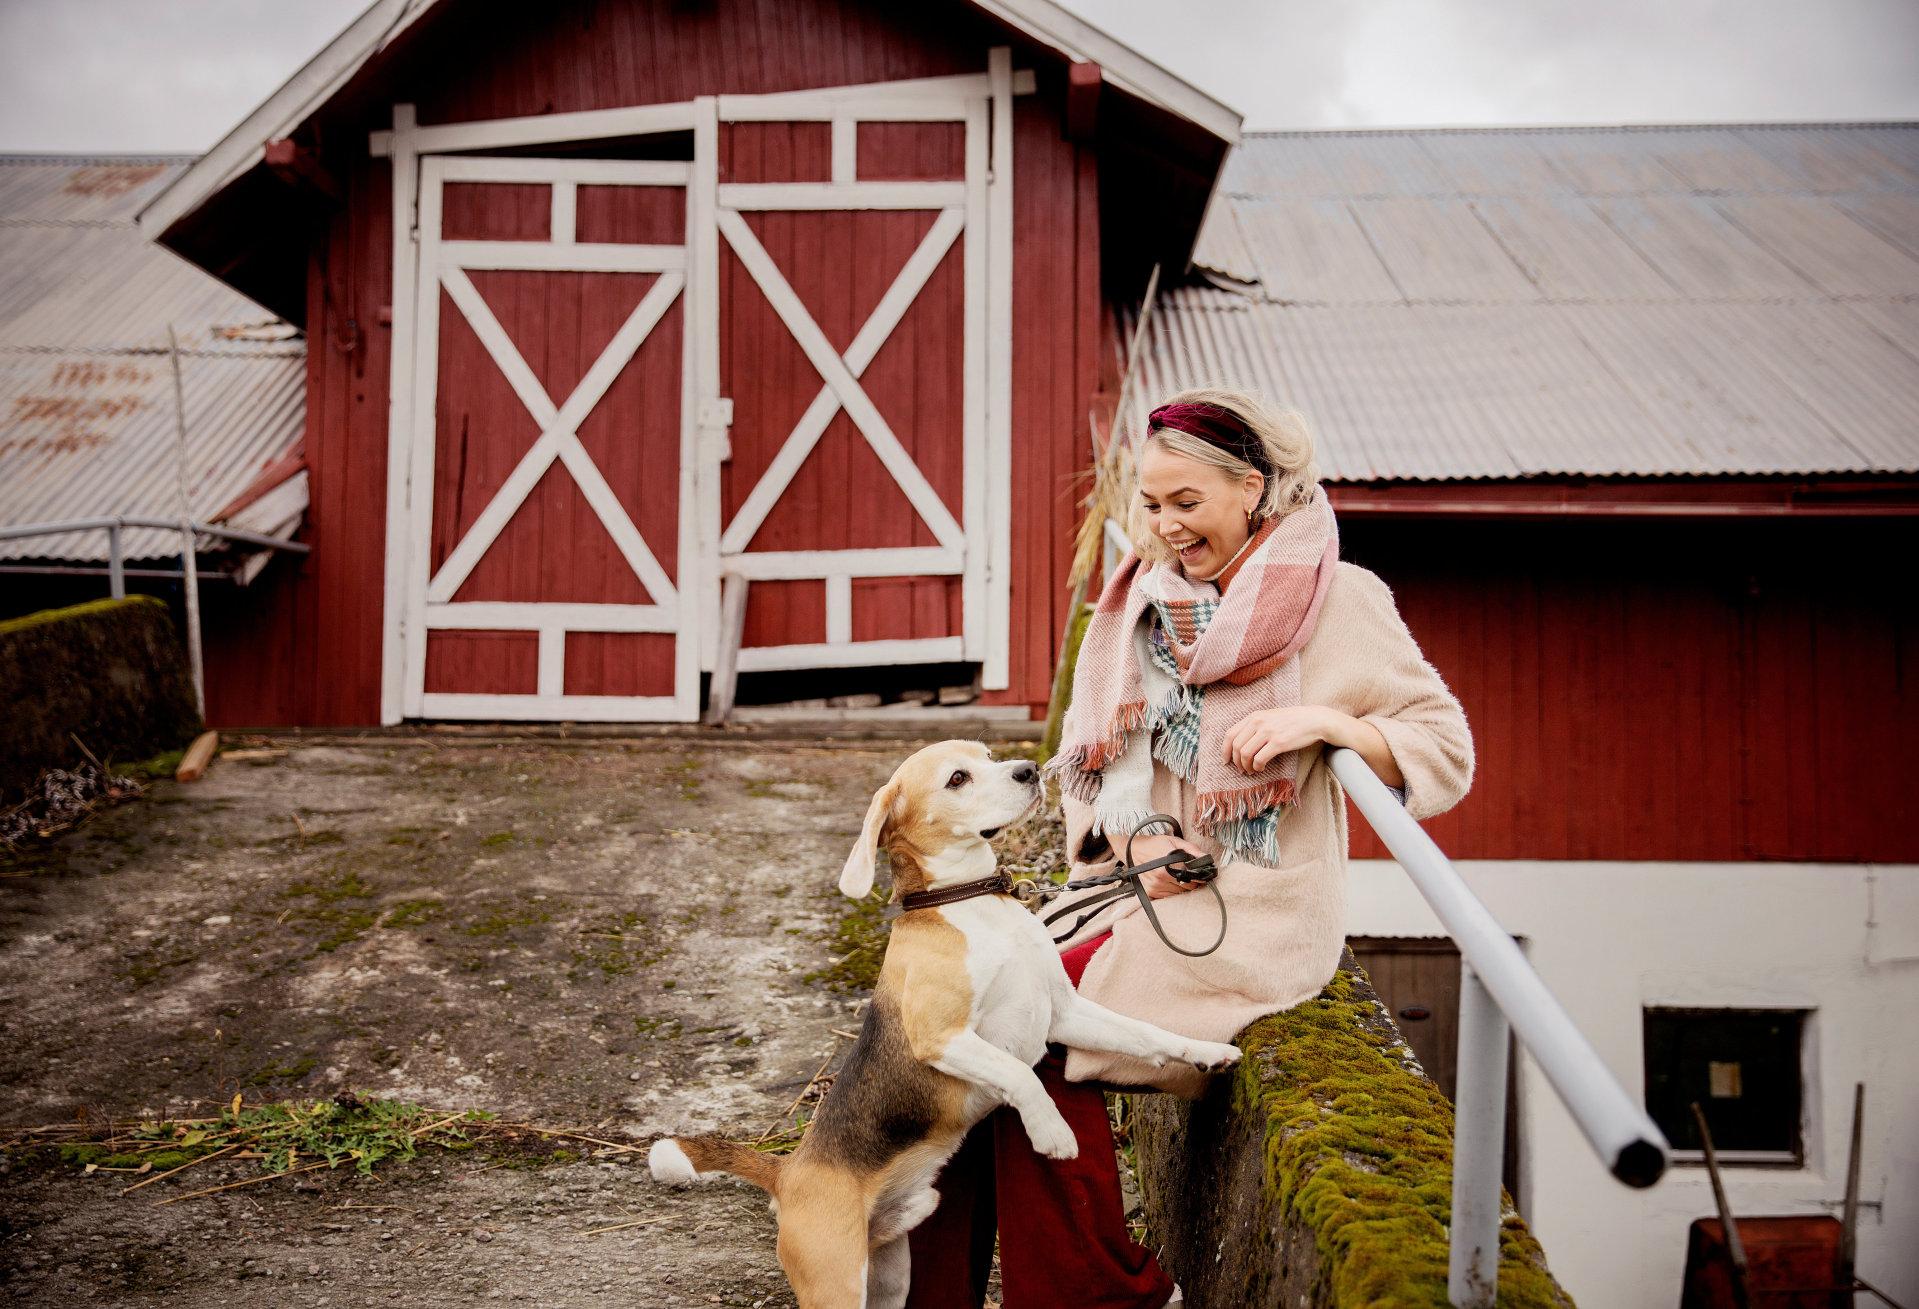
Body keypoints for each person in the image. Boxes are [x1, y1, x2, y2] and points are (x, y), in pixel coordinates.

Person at [904, 386, 1474, 1308]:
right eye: (1152, 503)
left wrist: (1323, 719)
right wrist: (1143, 831)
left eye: (1186, 504)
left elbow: (1444, 752)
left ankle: (1093, 1293)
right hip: (1140, 881)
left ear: (1250, 488)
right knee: (951, 1025)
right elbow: (1114, 770)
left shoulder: (1340, 601)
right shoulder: (1145, 596)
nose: (1163, 526)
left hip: (1251, 910)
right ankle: (921, 1293)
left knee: (1030, 1028)